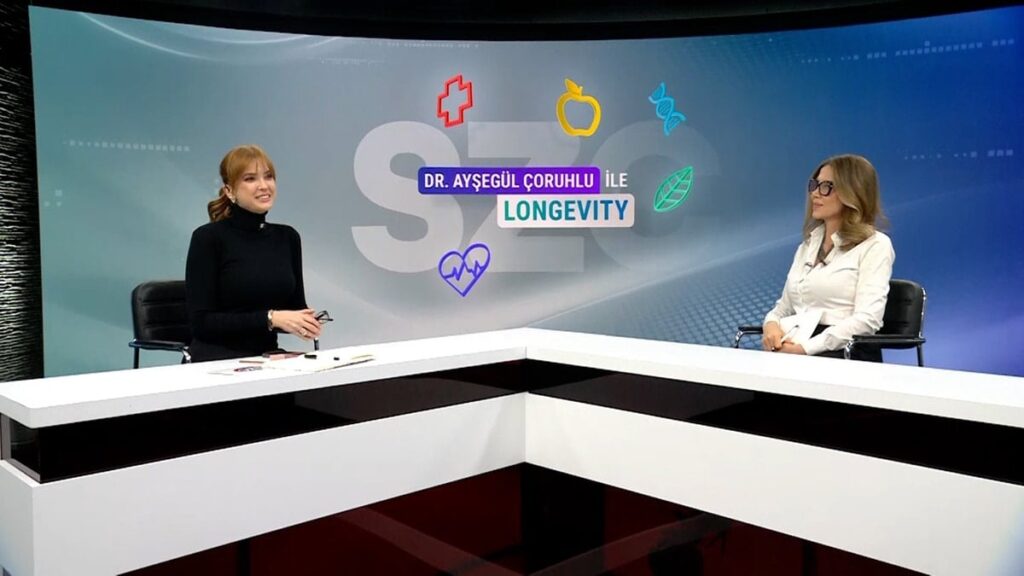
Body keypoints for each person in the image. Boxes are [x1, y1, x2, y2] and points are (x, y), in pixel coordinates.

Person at [185, 145, 322, 362]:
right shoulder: (208, 238)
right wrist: (270, 318)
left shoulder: (288, 237)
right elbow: (201, 324)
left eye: (268, 177)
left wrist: (304, 322)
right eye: (250, 179)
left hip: (268, 358)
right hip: (217, 360)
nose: (264, 186)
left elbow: (294, 308)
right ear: (229, 191)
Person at [762, 154, 894, 361]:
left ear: (853, 192)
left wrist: (806, 349)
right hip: (798, 346)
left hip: (845, 352)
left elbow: (868, 320)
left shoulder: (875, 245)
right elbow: (783, 308)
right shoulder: (808, 245)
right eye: (814, 185)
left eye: (826, 187)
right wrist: (771, 325)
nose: (815, 193)